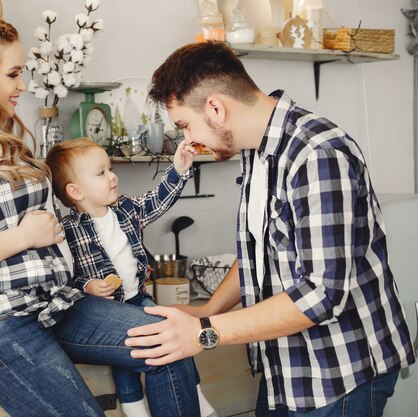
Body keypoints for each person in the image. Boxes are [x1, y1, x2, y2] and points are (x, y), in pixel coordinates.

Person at [0, 6, 201, 417]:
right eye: (13, 74)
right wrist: (23, 237)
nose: (23, 84)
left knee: (170, 341)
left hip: (53, 305)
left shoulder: (10, 145)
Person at [124, 41, 416, 416]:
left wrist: (206, 332)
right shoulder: (257, 151)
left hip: (341, 370)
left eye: (185, 125)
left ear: (215, 108)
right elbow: (259, 252)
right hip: (287, 370)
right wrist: (208, 310)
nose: (187, 140)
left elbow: (321, 295)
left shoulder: (317, 154)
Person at [45, 139, 216, 417]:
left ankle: (195, 393)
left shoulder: (125, 209)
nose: (112, 177)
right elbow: (66, 276)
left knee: (173, 326)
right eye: (101, 173)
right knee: (134, 346)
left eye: (110, 169)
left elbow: (157, 200)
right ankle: (133, 405)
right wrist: (87, 285)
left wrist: (179, 169)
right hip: (107, 308)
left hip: (138, 298)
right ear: (75, 191)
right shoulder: (69, 230)